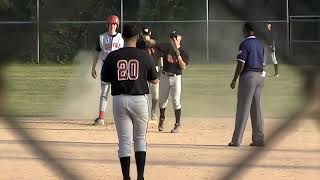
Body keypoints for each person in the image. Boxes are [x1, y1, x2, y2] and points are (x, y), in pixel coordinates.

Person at [101, 23, 158, 180]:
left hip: (119, 99)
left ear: (122, 36)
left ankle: (126, 178)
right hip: (139, 99)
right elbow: (154, 80)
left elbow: (105, 80)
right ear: (137, 37)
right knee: (140, 139)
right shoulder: (144, 55)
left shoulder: (113, 56)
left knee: (124, 141)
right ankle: (140, 177)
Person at [229, 23, 265, 147]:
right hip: (260, 77)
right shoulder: (260, 44)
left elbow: (241, 64)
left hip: (248, 77)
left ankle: (236, 140)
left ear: (246, 31)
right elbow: (263, 62)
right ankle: (258, 139)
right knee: (256, 109)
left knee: (243, 109)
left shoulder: (244, 44)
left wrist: (234, 80)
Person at [91, 15, 124, 126]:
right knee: (104, 93)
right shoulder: (102, 37)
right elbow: (96, 52)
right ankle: (101, 118)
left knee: (119, 94)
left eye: (114, 24)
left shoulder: (121, 38)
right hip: (105, 67)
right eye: (110, 24)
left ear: (117, 26)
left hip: (118, 68)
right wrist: (93, 67)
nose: (112, 26)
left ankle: (121, 117)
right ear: (107, 25)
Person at [155, 30, 189, 133]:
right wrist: (148, 40)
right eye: (172, 38)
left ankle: (177, 124)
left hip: (176, 78)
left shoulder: (183, 52)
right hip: (165, 76)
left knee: (176, 101)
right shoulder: (166, 48)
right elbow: (155, 45)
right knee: (162, 101)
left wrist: (178, 55)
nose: (174, 40)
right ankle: (162, 119)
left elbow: (183, 66)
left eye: (176, 37)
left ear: (180, 38)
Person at [136, 27, 161, 120]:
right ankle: (142, 113)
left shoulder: (155, 45)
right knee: (142, 94)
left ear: (150, 34)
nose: (146, 37)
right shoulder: (138, 45)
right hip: (142, 73)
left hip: (154, 72)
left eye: (147, 35)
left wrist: (159, 74)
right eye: (144, 35)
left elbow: (160, 60)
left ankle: (153, 111)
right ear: (141, 35)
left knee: (155, 95)